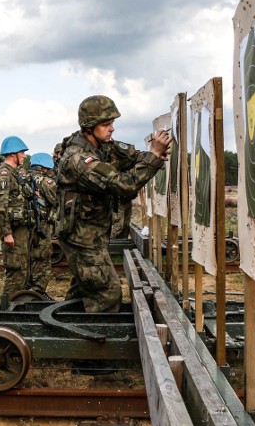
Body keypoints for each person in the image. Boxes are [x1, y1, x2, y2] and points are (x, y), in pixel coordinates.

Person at [56, 95, 170, 313]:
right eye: (106, 124)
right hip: (81, 238)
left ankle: (70, 327)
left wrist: (149, 156)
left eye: (112, 123)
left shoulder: (101, 147)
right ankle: (97, 342)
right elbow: (123, 185)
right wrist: (154, 156)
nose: (112, 129)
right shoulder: (79, 158)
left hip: (92, 234)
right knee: (107, 293)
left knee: (84, 289)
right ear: (89, 127)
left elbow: (130, 155)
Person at [0, 136, 33, 296]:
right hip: (13, 232)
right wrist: (7, 232)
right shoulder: (5, 175)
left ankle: (18, 305)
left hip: (20, 230)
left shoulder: (14, 174)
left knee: (22, 270)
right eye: (22, 152)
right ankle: (7, 307)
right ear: (12, 154)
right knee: (16, 273)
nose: (24, 156)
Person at [27, 152, 57, 296]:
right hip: (42, 224)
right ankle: (38, 291)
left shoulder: (24, 178)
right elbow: (57, 202)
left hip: (26, 224)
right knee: (43, 257)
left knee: (30, 256)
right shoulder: (47, 182)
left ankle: (28, 287)